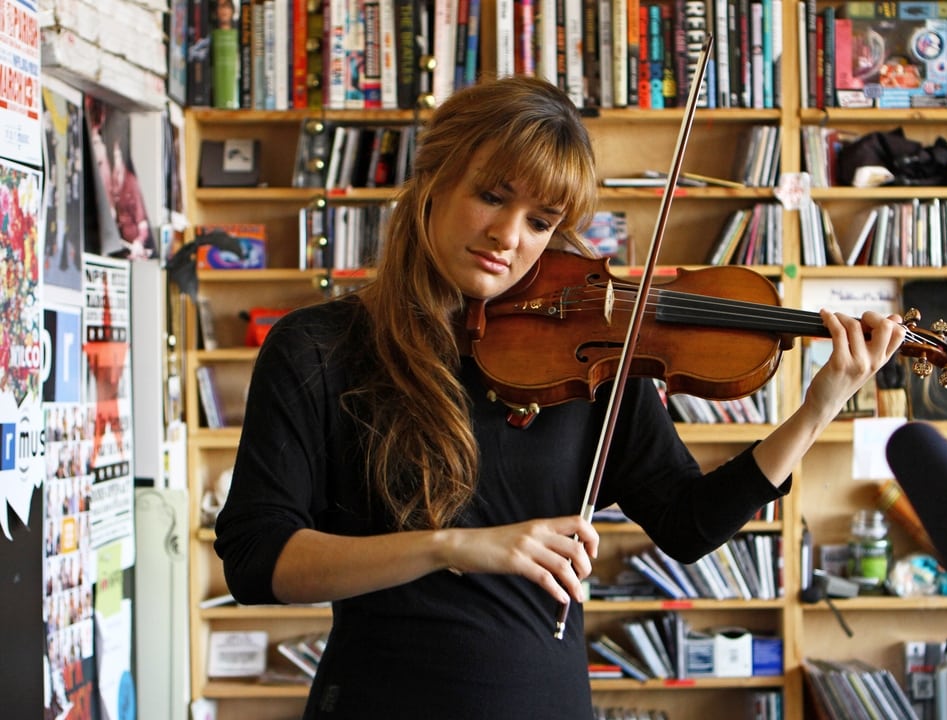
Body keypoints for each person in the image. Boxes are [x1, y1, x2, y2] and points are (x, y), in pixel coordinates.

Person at [214, 75, 907, 719]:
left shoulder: (591, 352)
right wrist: (450, 547)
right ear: (433, 177)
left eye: (541, 221)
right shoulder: (319, 349)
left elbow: (687, 525)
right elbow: (256, 561)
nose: (508, 237)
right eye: (491, 195)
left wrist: (818, 410)